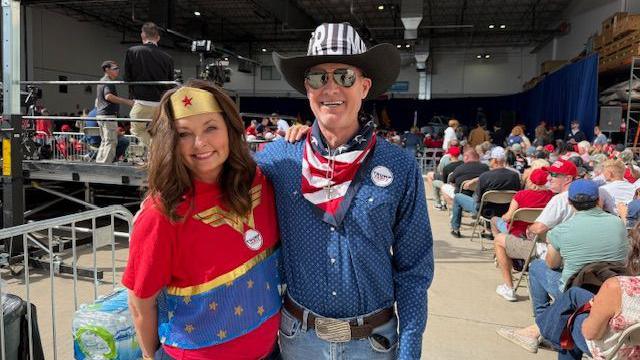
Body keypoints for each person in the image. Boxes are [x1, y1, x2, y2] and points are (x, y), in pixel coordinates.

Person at [263, 22, 433, 359]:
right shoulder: (278, 159)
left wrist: (410, 349)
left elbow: (414, 270)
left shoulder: (399, 167)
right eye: (317, 78)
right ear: (306, 88)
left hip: (372, 344)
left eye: (344, 76)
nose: (330, 88)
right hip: (299, 341)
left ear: (365, 86)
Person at [123, 81, 281, 359]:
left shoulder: (262, 181)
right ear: (169, 141)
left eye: (211, 127)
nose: (200, 143)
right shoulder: (161, 214)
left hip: (270, 352)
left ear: (230, 129)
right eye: (184, 134)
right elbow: (140, 303)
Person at [497, 179, 629, 353]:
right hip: (608, 288)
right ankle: (546, 325)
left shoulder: (560, 231)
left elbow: (552, 264)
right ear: (599, 200)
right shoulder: (618, 224)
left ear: (569, 202)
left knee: (537, 266)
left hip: (577, 287)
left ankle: (543, 323)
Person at [535, 224, 640, 359]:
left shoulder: (617, 286)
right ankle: (542, 329)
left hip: (621, 352)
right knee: (575, 294)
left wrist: (592, 312)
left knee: (571, 321)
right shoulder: (615, 222)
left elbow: (591, 333)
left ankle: (543, 331)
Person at [491, 168, 554, 301]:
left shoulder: (521, 195)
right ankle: (504, 257)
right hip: (542, 239)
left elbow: (507, 218)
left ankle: (508, 283)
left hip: (519, 235)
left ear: (530, 180)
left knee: (495, 221)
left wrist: (505, 216)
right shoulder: (552, 197)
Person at [124, 22, 174, 151]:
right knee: (159, 131)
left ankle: (157, 150)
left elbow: (127, 78)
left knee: (137, 130)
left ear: (142, 35)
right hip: (160, 103)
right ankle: (158, 155)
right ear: (158, 38)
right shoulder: (167, 58)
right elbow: (170, 82)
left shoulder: (132, 51)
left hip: (142, 101)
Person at [450, 147, 520, 238]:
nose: (489, 161)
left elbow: (478, 198)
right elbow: (517, 195)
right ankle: (489, 229)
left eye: (490, 159)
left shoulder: (485, 176)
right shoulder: (514, 176)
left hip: (486, 211)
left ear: (495, 160)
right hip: (505, 210)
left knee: (458, 197)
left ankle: (455, 229)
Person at [95, 60, 133, 164]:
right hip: (108, 116)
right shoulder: (108, 81)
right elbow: (108, 96)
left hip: (102, 115)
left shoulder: (102, 81)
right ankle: (104, 167)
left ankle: (99, 164)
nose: (118, 71)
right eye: (115, 69)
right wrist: (127, 101)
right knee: (111, 141)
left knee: (106, 141)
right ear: (107, 70)